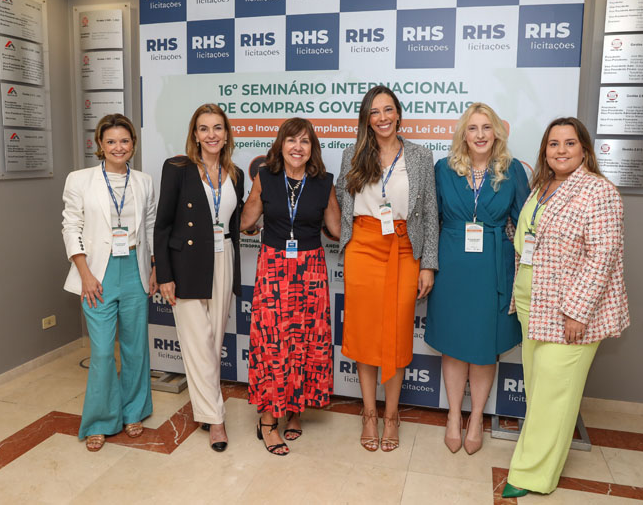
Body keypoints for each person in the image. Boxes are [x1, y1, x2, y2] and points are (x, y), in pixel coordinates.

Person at [502, 118, 629, 497]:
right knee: (539, 391)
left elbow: (602, 257)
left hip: (569, 312)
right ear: (545, 151)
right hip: (533, 303)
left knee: (553, 398)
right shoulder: (541, 188)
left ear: (584, 149)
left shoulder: (599, 191)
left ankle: (530, 475)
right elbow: (529, 238)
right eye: (553, 144)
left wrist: (578, 312)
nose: (561, 150)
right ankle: (535, 459)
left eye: (569, 143)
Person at [336, 85, 439, 452]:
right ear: (367, 119)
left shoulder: (421, 156)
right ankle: (368, 413)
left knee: (396, 333)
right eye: (374, 112)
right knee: (365, 334)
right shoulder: (352, 154)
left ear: (398, 114)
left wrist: (428, 264)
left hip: (404, 249)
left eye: (388, 109)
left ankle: (392, 415)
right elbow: (342, 200)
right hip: (363, 249)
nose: (382, 117)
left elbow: (430, 212)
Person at [426, 103, 529, 454]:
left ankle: (475, 419)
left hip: (493, 268)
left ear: (497, 133)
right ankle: (454, 415)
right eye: (473, 128)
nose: (480, 135)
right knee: (454, 346)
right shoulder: (443, 168)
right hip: (451, 267)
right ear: (463, 134)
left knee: (485, 348)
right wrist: (426, 265)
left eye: (487, 127)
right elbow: (431, 221)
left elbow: (525, 223)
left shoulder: (512, 171)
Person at [241, 118, 341, 456]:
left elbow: (337, 229)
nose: (298, 147)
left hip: (311, 270)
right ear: (280, 145)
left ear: (313, 148)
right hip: (273, 267)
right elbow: (246, 220)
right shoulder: (265, 178)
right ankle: (268, 420)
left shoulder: (324, 182)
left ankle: (295, 409)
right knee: (273, 344)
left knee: (305, 341)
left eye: (305, 141)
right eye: (291, 140)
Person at [62, 113, 157, 452]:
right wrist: (85, 273)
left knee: (135, 348)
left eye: (125, 141)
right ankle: (100, 420)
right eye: (111, 141)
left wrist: (154, 267)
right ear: (99, 145)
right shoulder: (80, 180)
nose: (119, 147)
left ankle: (133, 412)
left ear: (133, 144)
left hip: (134, 269)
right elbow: (71, 226)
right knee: (102, 352)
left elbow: (150, 226)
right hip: (97, 274)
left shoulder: (144, 181)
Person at [154, 104, 245, 453]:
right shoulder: (177, 168)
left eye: (218, 128)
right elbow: (162, 225)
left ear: (226, 133)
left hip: (223, 258)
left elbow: (234, 222)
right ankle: (215, 419)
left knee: (213, 341)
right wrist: (165, 273)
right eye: (204, 128)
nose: (211, 135)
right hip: (186, 263)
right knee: (198, 343)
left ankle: (207, 408)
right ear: (195, 134)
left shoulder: (235, 173)